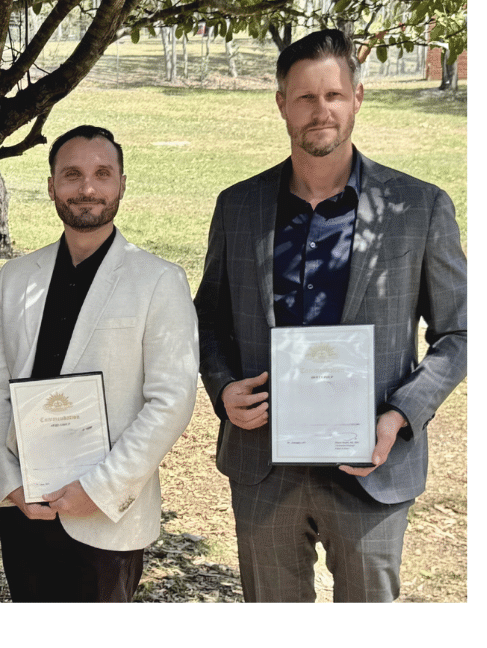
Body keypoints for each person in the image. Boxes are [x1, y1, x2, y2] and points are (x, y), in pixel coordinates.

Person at [194, 29, 467, 602]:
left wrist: (400, 415)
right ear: (281, 104)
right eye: (305, 97)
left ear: (357, 98)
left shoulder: (418, 207)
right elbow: (208, 318)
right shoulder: (238, 206)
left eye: (334, 95)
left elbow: (460, 332)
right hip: (265, 464)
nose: (321, 111)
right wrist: (222, 388)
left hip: (370, 464)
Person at [0, 125, 198, 602]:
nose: (87, 188)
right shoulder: (15, 278)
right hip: (26, 505)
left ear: (122, 184)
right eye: (72, 174)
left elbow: (171, 402)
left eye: (102, 174)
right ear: (52, 185)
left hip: (106, 515)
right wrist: (8, 482)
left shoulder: (159, 281)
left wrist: (99, 489)